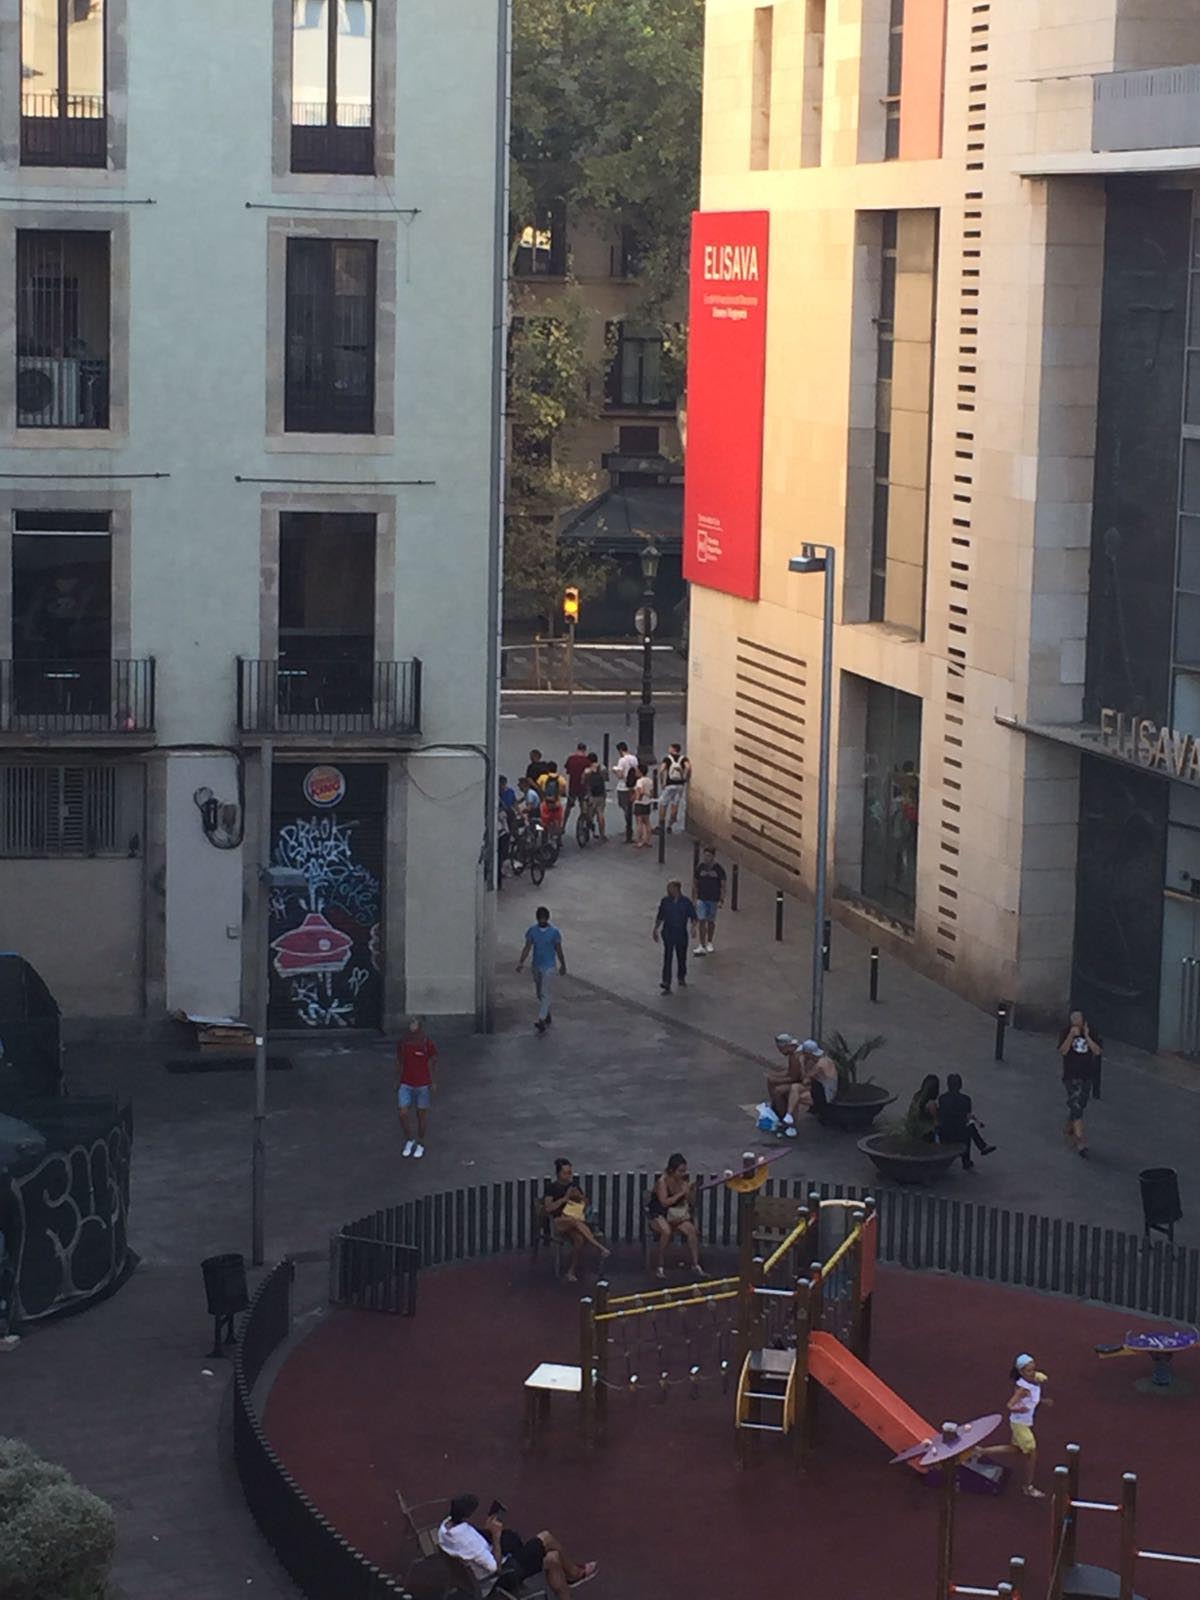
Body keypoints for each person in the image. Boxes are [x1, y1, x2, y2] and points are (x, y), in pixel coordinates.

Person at [437, 1493, 597, 1597]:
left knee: (553, 1559)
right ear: (466, 1515)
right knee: (546, 1538)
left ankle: (572, 1576)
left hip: (474, 1576)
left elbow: (472, 1547)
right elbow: (495, 1568)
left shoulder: (444, 1529)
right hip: (498, 1577)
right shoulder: (469, 1541)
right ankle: (574, 1574)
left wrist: (488, 1530)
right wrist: (496, 1535)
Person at [975, 1355, 1052, 1498]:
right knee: (1031, 1452)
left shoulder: (1033, 1382)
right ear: (1021, 1372)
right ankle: (1028, 1487)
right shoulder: (1023, 1388)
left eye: (1033, 1369)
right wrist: (1019, 1409)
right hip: (1020, 1424)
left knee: (1016, 1449)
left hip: (1023, 1423)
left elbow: (1032, 1400)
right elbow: (1010, 1405)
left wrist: (1042, 1401)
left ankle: (981, 1451)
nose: (1033, 1373)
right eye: (1029, 1371)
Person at [542, 1158, 610, 1282]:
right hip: (559, 1221)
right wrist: (565, 1198)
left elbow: (586, 1204)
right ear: (558, 1174)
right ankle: (599, 1247)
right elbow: (548, 1208)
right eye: (566, 1173)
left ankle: (571, 1271)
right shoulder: (551, 1187)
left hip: (574, 1220)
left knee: (579, 1239)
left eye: (570, 1172)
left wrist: (580, 1197)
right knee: (574, 1221)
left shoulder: (573, 1185)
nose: (569, 1176)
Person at [647, 1153, 702, 1278]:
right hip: (659, 1214)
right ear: (672, 1170)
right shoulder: (662, 1182)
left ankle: (695, 1263)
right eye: (680, 1171)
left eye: (684, 1171)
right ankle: (660, 1264)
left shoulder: (682, 1182)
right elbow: (664, 1202)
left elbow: (692, 1203)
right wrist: (680, 1193)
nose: (683, 1174)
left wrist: (690, 1192)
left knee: (691, 1230)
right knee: (666, 1232)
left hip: (676, 1215)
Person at [516, 906, 567, 1035]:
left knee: (544, 992)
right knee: (540, 993)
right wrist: (521, 961)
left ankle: (541, 1019)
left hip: (549, 966)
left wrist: (562, 964)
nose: (542, 920)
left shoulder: (554, 932)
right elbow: (527, 947)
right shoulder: (532, 931)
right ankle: (547, 1012)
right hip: (536, 965)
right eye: (540, 918)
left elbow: (558, 949)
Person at [1058, 1009, 1102, 1157]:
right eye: (1073, 1020)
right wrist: (1071, 1035)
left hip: (1086, 1076)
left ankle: (1069, 1127)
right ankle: (1080, 1141)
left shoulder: (1092, 1032)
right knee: (1076, 1105)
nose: (1075, 1022)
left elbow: (1097, 1051)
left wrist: (1088, 1037)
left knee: (1080, 1104)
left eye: (1078, 1019)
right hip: (1071, 1076)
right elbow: (1063, 1051)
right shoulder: (1066, 1032)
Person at [396, 1015, 438, 1159]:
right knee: (402, 1112)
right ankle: (409, 1139)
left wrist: (432, 1081)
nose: (411, 1026)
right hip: (406, 1082)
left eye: (414, 1023)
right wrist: (398, 1079)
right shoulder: (403, 1043)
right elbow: (400, 1061)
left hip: (422, 1084)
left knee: (421, 1115)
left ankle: (420, 1142)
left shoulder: (427, 1043)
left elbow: (432, 1062)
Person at [937, 1073, 995, 1170]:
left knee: (967, 1126)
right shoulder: (966, 1100)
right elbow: (968, 1116)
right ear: (960, 1085)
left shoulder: (942, 1098)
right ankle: (972, 1154)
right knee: (969, 1127)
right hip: (960, 1133)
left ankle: (982, 1146)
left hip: (945, 1133)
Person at [653, 879, 698, 994]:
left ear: (677, 889)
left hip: (681, 933)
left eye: (670, 887)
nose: (668, 890)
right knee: (668, 956)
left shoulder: (686, 902)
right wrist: (656, 929)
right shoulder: (665, 901)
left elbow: (693, 917)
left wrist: (693, 928)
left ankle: (681, 975)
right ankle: (666, 981)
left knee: (681, 956)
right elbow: (660, 916)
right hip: (668, 932)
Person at [692, 845, 726, 955]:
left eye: (709, 856)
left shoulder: (718, 869)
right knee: (702, 920)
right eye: (705, 855)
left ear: (713, 856)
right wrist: (694, 898)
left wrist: (721, 899)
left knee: (711, 921)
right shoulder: (700, 867)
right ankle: (701, 944)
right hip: (702, 898)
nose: (706, 858)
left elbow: (723, 885)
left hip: (713, 899)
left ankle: (709, 942)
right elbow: (695, 883)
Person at [658, 743, 691, 833]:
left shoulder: (667, 759)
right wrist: (685, 777)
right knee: (675, 804)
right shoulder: (683, 758)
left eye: (670, 748)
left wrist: (662, 782)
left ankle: (661, 824)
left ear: (673, 749)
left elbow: (661, 770)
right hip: (680, 785)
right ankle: (670, 824)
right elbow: (688, 767)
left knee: (663, 803)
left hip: (670, 785)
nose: (669, 749)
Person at [613, 741, 638, 842]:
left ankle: (629, 828)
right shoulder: (634, 758)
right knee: (630, 806)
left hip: (623, 787)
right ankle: (629, 827)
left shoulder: (622, 760)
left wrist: (614, 770)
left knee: (625, 807)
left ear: (620, 750)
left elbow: (620, 775)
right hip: (632, 786)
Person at [904, 1074, 940, 1142]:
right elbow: (936, 1123)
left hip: (913, 1129)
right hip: (925, 1134)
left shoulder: (917, 1096)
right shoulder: (931, 1104)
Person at [581, 752, 607, 840]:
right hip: (601, 794)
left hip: (590, 794)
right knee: (600, 813)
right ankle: (602, 834)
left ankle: (588, 830)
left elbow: (583, 781)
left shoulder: (587, 770)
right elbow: (606, 779)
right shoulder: (602, 768)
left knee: (589, 814)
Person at [563, 741, 590, 823]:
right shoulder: (587, 761)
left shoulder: (571, 759)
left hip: (573, 787)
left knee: (568, 807)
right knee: (584, 807)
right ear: (585, 750)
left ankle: (563, 825)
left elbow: (567, 771)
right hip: (583, 787)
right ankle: (583, 824)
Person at [632, 764, 654, 848]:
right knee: (647, 822)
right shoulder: (650, 780)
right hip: (647, 803)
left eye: (637, 771)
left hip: (640, 804)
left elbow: (640, 791)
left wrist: (637, 799)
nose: (636, 772)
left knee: (639, 823)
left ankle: (639, 841)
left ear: (640, 772)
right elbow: (652, 793)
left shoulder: (639, 781)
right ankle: (647, 840)